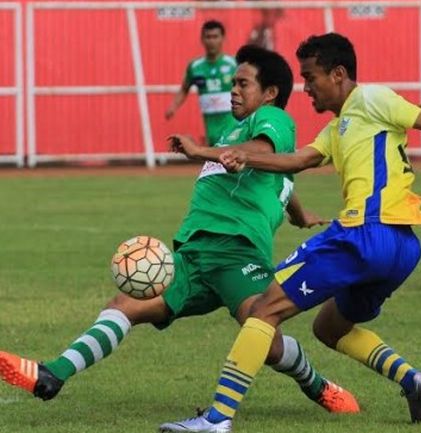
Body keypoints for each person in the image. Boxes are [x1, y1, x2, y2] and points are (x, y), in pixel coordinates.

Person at [159, 33, 421, 432]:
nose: (306, 88)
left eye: (311, 77)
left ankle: (217, 420)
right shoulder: (337, 126)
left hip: (363, 233)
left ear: (339, 74)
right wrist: (225, 154)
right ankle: (413, 381)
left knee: (263, 310)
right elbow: (297, 159)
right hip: (400, 247)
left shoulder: (371, 98)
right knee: (329, 327)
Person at [0, 46, 359, 422]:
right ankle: (52, 373)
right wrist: (301, 214)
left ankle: (318, 385)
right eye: (232, 83)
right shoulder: (231, 133)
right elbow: (276, 177)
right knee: (124, 306)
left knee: (263, 336)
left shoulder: (272, 119)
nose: (232, 90)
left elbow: (260, 152)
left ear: (269, 93)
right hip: (192, 255)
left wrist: (201, 150)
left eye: (242, 83)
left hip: (235, 253)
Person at [165, 20, 238, 146]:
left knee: (231, 156)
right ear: (202, 39)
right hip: (210, 125)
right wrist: (174, 106)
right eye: (208, 37)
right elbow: (184, 89)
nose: (211, 41)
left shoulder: (233, 64)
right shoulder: (195, 66)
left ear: (223, 38)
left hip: (232, 122)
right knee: (214, 157)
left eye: (215, 37)